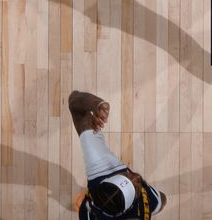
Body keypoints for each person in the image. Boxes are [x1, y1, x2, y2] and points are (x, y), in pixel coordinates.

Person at [69, 90, 167, 219]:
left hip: (100, 172)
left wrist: (94, 104)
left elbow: (74, 100)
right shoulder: (151, 204)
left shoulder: (88, 213)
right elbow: (163, 200)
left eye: (127, 176)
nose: (136, 177)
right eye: (134, 185)